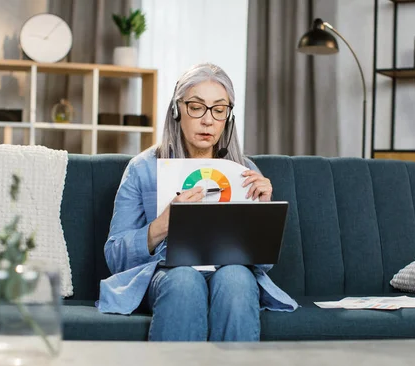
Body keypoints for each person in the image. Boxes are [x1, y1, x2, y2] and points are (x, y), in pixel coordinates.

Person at [97, 63, 297, 341]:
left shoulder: (245, 171)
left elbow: (263, 266)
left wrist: (262, 215)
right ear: (177, 110)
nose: (208, 120)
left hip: (231, 273)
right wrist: (162, 226)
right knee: (184, 280)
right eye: (196, 107)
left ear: (228, 117)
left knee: (237, 278)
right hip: (167, 274)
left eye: (219, 109)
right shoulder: (142, 168)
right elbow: (115, 256)